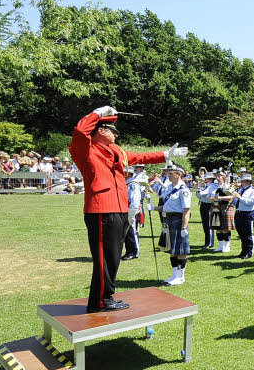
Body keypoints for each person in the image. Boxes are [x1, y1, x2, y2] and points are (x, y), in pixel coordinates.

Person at [68, 106, 185, 312]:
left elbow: (140, 158)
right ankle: (101, 300)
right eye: (113, 130)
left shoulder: (117, 151)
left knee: (113, 256)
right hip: (101, 209)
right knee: (104, 258)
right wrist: (97, 113)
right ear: (101, 130)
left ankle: (105, 297)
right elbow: (80, 131)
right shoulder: (87, 149)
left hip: (120, 208)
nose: (116, 134)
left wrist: (166, 154)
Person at [161, 166, 192, 285]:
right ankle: (174, 275)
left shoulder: (183, 190)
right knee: (172, 249)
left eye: (171, 173)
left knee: (180, 250)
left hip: (178, 220)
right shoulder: (170, 188)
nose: (168, 174)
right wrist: (154, 208)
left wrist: (184, 227)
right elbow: (167, 206)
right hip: (169, 220)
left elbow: (186, 210)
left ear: (178, 174)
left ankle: (180, 276)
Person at [231, 173, 254, 258]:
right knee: (241, 233)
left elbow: (251, 202)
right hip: (239, 212)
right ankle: (243, 251)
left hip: (248, 213)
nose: (241, 182)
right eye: (241, 181)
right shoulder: (240, 190)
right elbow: (237, 201)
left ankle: (249, 252)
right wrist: (232, 200)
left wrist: (240, 197)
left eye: (243, 181)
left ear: (248, 181)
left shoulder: (253, 190)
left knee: (248, 234)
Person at [122, 164, 148, 260]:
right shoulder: (126, 182)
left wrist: (132, 212)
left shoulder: (133, 184)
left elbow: (135, 199)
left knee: (132, 231)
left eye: (124, 172)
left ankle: (134, 252)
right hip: (125, 209)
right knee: (126, 232)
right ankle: (129, 251)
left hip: (131, 210)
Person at [197, 171, 218, 249]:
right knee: (205, 224)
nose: (205, 179)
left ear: (210, 179)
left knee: (209, 224)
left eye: (206, 178)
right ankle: (207, 242)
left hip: (209, 205)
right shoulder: (206, 186)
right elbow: (199, 195)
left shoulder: (212, 186)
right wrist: (199, 190)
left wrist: (199, 189)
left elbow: (202, 194)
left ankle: (209, 243)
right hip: (203, 204)